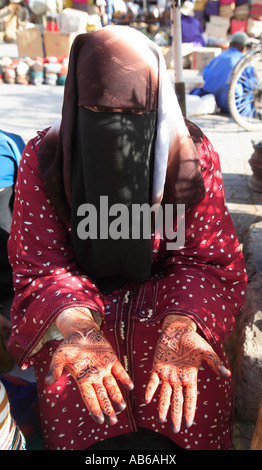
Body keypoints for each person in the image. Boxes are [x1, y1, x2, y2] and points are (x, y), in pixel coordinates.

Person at [7, 26, 247, 451]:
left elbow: (207, 260)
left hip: (172, 303)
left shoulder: (189, 154)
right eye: (97, 114)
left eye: (134, 117)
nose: (115, 132)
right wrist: (79, 327)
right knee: (71, 380)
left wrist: (181, 326)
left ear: (156, 105)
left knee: (197, 379)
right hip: (77, 309)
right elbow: (41, 264)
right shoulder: (44, 157)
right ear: (75, 102)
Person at [199, 31, 252, 114]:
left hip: (210, 98)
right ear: (243, 48)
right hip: (230, 105)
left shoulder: (219, 57)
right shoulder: (243, 60)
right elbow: (250, 84)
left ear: (230, 45)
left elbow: (205, 75)